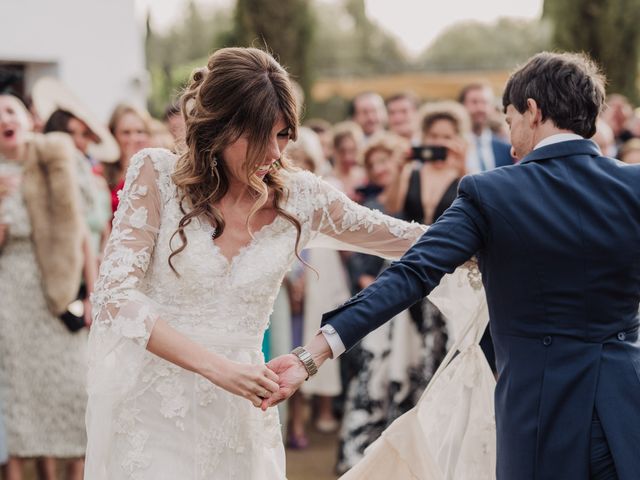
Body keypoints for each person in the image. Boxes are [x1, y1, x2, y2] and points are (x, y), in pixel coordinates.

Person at [266, 52, 640, 480]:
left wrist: (311, 355)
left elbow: (413, 273)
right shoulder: (635, 185)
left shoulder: (492, 192)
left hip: (538, 414)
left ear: (533, 112)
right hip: (627, 406)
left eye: (509, 118)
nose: (510, 133)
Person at [84, 47, 446, 480]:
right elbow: (113, 296)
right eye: (262, 137)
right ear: (219, 126)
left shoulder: (303, 197)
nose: (274, 153)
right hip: (155, 411)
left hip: (243, 412)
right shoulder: (155, 175)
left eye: (283, 136)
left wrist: (492, 225)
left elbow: (406, 239)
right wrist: (218, 368)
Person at [0, 94, 89, 480]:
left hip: (60, 288)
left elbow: (81, 232)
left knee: (73, 388)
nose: (3, 119)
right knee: (18, 396)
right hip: (10, 295)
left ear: (29, 120)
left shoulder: (55, 159)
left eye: (9, 110)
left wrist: (91, 293)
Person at [100, 103, 152, 213]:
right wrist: (128, 167)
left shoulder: (156, 170)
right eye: (126, 133)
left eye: (140, 131)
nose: (134, 138)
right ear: (113, 135)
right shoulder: (100, 172)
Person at [459, 82, 513, 172]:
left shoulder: (506, 148)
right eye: (474, 102)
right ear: (462, 105)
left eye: (485, 102)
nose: (480, 108)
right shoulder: (455, 147)